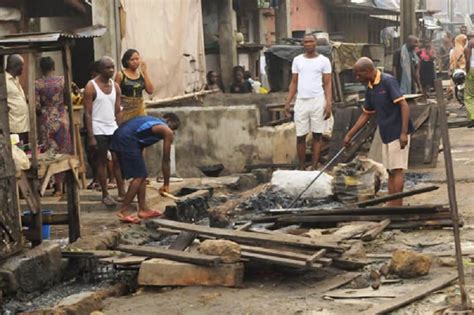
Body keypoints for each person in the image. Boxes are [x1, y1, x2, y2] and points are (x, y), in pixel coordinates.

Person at [344, 57, 414, 206]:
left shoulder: (387, 81)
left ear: (368, 71)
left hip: (397, 130)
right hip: (385, 132)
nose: (357, 78)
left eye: (359, 75)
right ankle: (391, 203)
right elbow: (366, 114)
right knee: (389, 170)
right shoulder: (370, 87)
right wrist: (350, 134)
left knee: (397, 169)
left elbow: (404, 105)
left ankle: (398, 205)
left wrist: (403, 132)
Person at [110, 113, 180, 223]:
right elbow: (166, 159)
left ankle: (143, 209)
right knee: (139, 176)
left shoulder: (150, 122)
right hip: (127, 139)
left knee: (142, 174)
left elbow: (139, 141)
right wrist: (166, 184)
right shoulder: (166, 130)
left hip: (119, 135)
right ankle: (123, 211)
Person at [284, 33, 332, 170]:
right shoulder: (297, 60)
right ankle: (301, 166)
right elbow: (294, 82)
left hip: (318, 100)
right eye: (305, 42)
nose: (308, 44)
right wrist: (288, 102)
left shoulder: (324, 61)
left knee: (317, 135)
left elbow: (328, 83)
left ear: (315, 43)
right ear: (303, 44)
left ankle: (315, 167)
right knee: (300, 136)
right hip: (301, 102)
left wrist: (328, 103)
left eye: (311, 41)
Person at [84, 56, 125, 206]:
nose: (111, 70)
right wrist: (91, 136)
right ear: (100, 70)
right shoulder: (91, 86)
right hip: (98, 127)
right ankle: (105, 193)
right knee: (101, 161)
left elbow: (118, 110)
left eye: (113, 67)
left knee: (117, 160)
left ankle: (122, 191)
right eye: (108, 68)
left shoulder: (116, 87)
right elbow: (87, 113)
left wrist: (120, 129)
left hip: (112, 127)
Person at [35, 57, 73, 196]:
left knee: (50, 153)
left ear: (41, 68)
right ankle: (60, 186)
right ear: (54, 67)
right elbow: (71, 97)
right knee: (63, 151)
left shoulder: (38, 84)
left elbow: (37, 106)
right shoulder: (62, 81)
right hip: (62, 118)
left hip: (47, 121)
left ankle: (51, 185)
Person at [115, 49, 154, 124]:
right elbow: (115, 94)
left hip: (140, 110)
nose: (135, 61)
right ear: (127, 61)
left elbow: (150, 91)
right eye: (132, 59)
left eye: (137, 59)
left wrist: (145, 72)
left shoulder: (141, 75)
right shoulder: (120, 75)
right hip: (125, 110)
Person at [5, 54, 29, 144]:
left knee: (24, 152)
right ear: (13, 66)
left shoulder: (16, 79)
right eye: (21, 65)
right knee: (16, 152)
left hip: (24, 124)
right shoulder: (4, 80)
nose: (23, 68)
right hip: (14, 126)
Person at [464, 38, 474, 127]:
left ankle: (473, 118)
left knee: (469, 96)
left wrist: (467, 72)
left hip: (472, 70)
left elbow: (467, 60)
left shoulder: (470, 44)